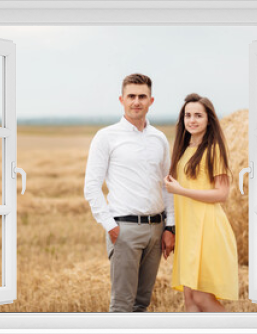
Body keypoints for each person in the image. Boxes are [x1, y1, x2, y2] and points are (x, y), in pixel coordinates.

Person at [84, 73, 175, 312]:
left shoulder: (159, 138)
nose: (137, 101)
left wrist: (170, 227)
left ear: (151, 101)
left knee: (142, 304)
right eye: (131, 96)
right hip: (124, 229)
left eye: (142, 96)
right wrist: (110, 226)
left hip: (157, 229)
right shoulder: (106, 137)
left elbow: (167, 185)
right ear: (121, 99)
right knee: (122, 305)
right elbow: (91, 187)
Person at [164, 93, 238, 312]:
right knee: (190, 299)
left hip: (207, 228)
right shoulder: (184, 150)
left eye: (198, 115)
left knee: (202, 297)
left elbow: (221, 194)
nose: (192, 120)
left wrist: (181, 190)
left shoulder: (214, 149)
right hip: (189, 231)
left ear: (209, 119)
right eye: (188, 115)